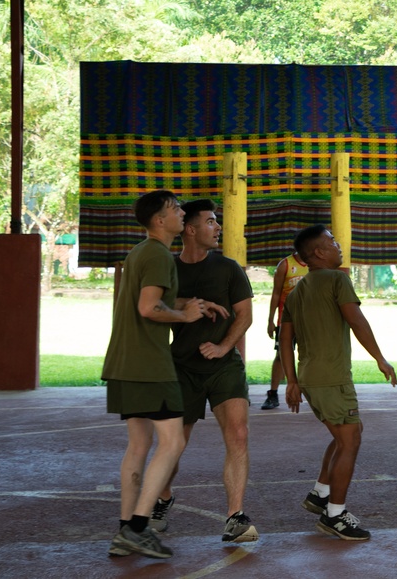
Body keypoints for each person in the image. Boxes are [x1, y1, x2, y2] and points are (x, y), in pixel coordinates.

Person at [101, 190, 210, 559]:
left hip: (122, 363)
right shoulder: (160, 255)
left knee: (140, 445)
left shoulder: (140, 253)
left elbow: (146, 300)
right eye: (175, 209)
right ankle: (138, 527)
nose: (182, 213)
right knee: (173, 442)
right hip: (149, 365)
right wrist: (184, 316)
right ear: (160, 220)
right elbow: (149, 308)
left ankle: (124, 529)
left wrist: (188, 304)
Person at [147, 199, 258, 543]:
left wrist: (224, 346)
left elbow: (245, 315)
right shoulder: (167, 268)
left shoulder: (228, 268)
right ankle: (163, 499)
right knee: (173, 446)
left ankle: (235, 517)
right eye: (211, 222)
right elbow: (151, 307)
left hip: (224, 367)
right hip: (181, 368)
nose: (218, 227)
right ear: (191, 229)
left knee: (238, 434)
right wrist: (184, 307)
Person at [280, 224, 397, 541]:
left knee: (347, 432)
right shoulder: (337, 279)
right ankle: (334, 514)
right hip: (332, 379)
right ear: (318, 252)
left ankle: (320, 492)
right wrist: (380, 358)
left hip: (310, 378)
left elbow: (284, 340)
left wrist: (291, 381)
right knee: (349, 441)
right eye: (332, 240)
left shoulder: (296, 291)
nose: (338, 244)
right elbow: (356, 320)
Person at [261, 250, 309, 410]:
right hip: (286, 320)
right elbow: (276, 293)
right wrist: (270, 320)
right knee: (281, 356)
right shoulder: (285, 265)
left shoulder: (315, 264)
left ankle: (312, 391)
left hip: (309, 321)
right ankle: (273, 394)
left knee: (312, 355)